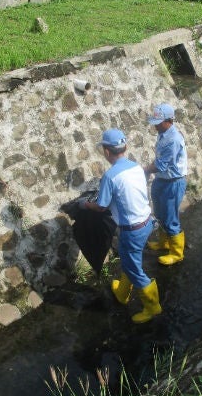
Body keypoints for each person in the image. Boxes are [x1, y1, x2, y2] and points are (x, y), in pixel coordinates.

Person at [79, 128, 162, 324]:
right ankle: (123, 293)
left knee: (134, 268)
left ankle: (153, 307)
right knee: (128, 259)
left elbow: (101, 206)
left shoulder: (110, 176)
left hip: (132, 229)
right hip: (147, 222)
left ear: (107, 152)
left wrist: (84, 205)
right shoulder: (135, 167)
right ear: (125, 147)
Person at [143, 103, 188, 265]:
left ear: (169, 120)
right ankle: (164, 243)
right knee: (160, 214)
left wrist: (145, 170)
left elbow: (160, 165)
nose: (155, 126)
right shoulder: (163, 133)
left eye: (158, 122)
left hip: (173, 183)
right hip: (162, 180)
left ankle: (177, 253)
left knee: (170, 217)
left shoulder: (173, 139)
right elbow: (160, 160)